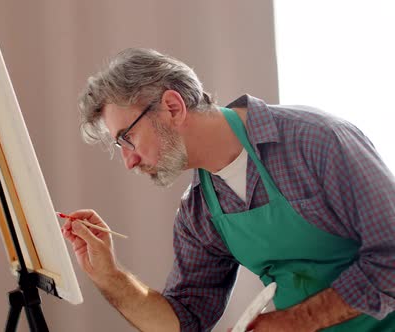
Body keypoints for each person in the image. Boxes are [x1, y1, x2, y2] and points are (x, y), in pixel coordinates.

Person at [60, 48, 395, 331]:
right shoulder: (199, 211)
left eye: (127, 138)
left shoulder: (316, 140)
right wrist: (109, 275)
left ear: (173, 108)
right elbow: (185, 321)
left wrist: (296, 321)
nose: (129, 161)